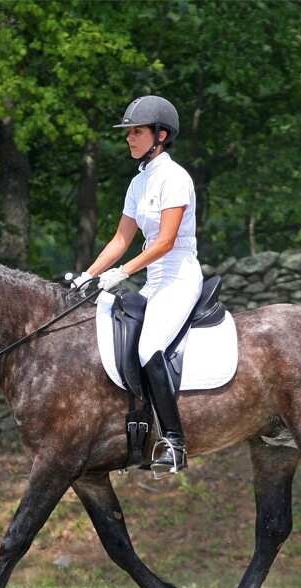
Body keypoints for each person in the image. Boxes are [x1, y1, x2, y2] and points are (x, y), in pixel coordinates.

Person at [73, 95, 201, 474]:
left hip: (179, 277)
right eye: (128, 133)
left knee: (148, 348)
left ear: (160, 135)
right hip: (154, 280)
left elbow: (164, 242)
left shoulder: (175, 178)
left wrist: (123, 272)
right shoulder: (138, 183)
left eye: (137, 132)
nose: (129, 138)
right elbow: (120, 239)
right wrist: (88, 275)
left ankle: (175, 443)